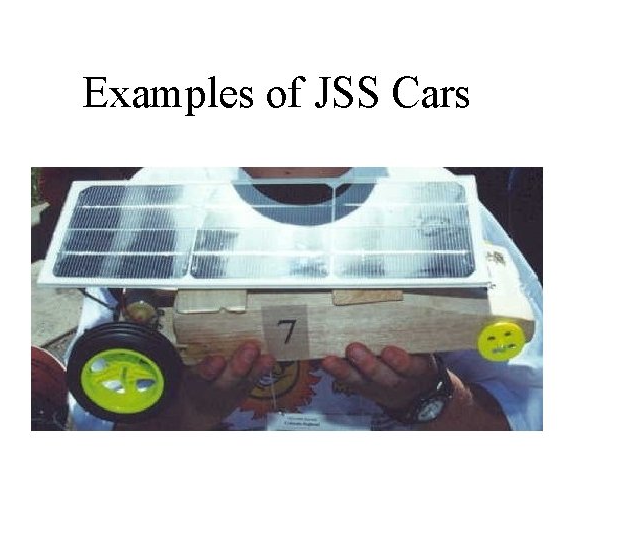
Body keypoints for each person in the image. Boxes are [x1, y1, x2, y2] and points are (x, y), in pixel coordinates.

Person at [65, 167, 543, 431]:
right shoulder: (157, 199)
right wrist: (187, 412)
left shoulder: (436, 198)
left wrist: (428, 397)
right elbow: (92, 421)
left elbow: (535, 414)